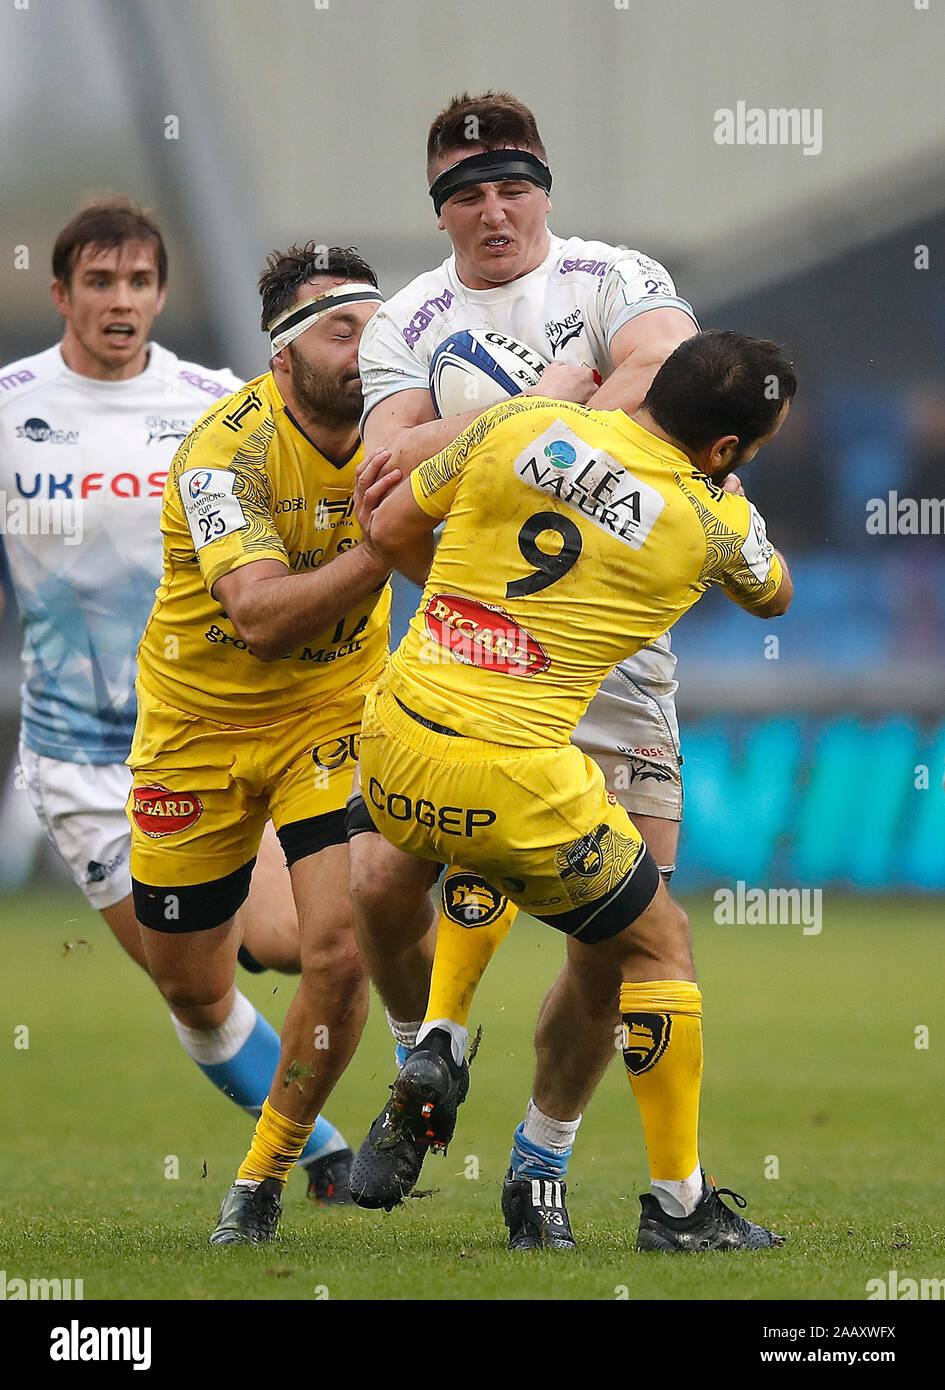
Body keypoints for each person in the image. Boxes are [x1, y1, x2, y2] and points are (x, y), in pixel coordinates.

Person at [350, 330, 795, 1251]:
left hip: (392, 751)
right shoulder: (706, 522)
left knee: (484, 851)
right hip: (513, 776)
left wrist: (483, 622)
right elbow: (775, 594)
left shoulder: (524, 420)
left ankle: (434, 1039)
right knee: (657, 946)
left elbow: (387, 526)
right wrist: (735, 508)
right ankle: (679, 1209)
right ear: (723, 454)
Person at [348, 90, 705, 1207]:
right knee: (381, 876)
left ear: (543, 186)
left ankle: (539, 1159)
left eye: (513, 187)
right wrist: (566, 396)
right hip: (474, 646)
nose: (495, 212)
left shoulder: (613, 278)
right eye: (469, 196)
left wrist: (476, 432)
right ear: (441, 210)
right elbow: (381, 492)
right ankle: (429, 1043)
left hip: (619, 665)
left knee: (616, 941)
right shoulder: (404, 323)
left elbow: (672, 385)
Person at [0, 200, 350, 1202]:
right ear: (62, 293)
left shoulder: (216, 404)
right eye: (100, 283)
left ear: (161, 293)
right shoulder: (12, 404)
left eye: (140, 282)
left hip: (223, 729)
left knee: (295, 941)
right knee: (194, 991)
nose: (122, 301)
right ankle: (323, 1144)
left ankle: (329, 1146)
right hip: (86, 758)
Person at [126, 242, 402, 1245]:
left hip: (331, 713)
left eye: (375, 324)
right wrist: (384, 546)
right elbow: (260, 617)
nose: (366, 348)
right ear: (281, 359)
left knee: (341, 947)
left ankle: (263, 1177)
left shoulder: (406, 421)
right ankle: (250, 916)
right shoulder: (222, 452)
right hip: (197, 729)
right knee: (194, 989)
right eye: (340, 330)